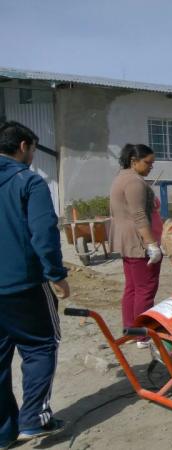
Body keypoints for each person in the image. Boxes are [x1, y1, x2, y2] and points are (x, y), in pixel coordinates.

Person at [0, 121, 70, 448]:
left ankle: (3, 432)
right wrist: (56, 275)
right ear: (24, 146)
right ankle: (33, 419)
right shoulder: (28, 182)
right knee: (41, 345)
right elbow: (44, 233)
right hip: (24, 283)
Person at [110, 144, 163, 348]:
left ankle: (130, 329)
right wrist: (152, 244)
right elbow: (139, 215)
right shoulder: (134, 182)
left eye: (153, 163)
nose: (151, 167)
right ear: (134, 160)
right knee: (145, 289)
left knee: (132, 288)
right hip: (138, 244)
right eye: (148, 163)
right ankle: (142, 335)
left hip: (127, 241)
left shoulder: (121, 177)